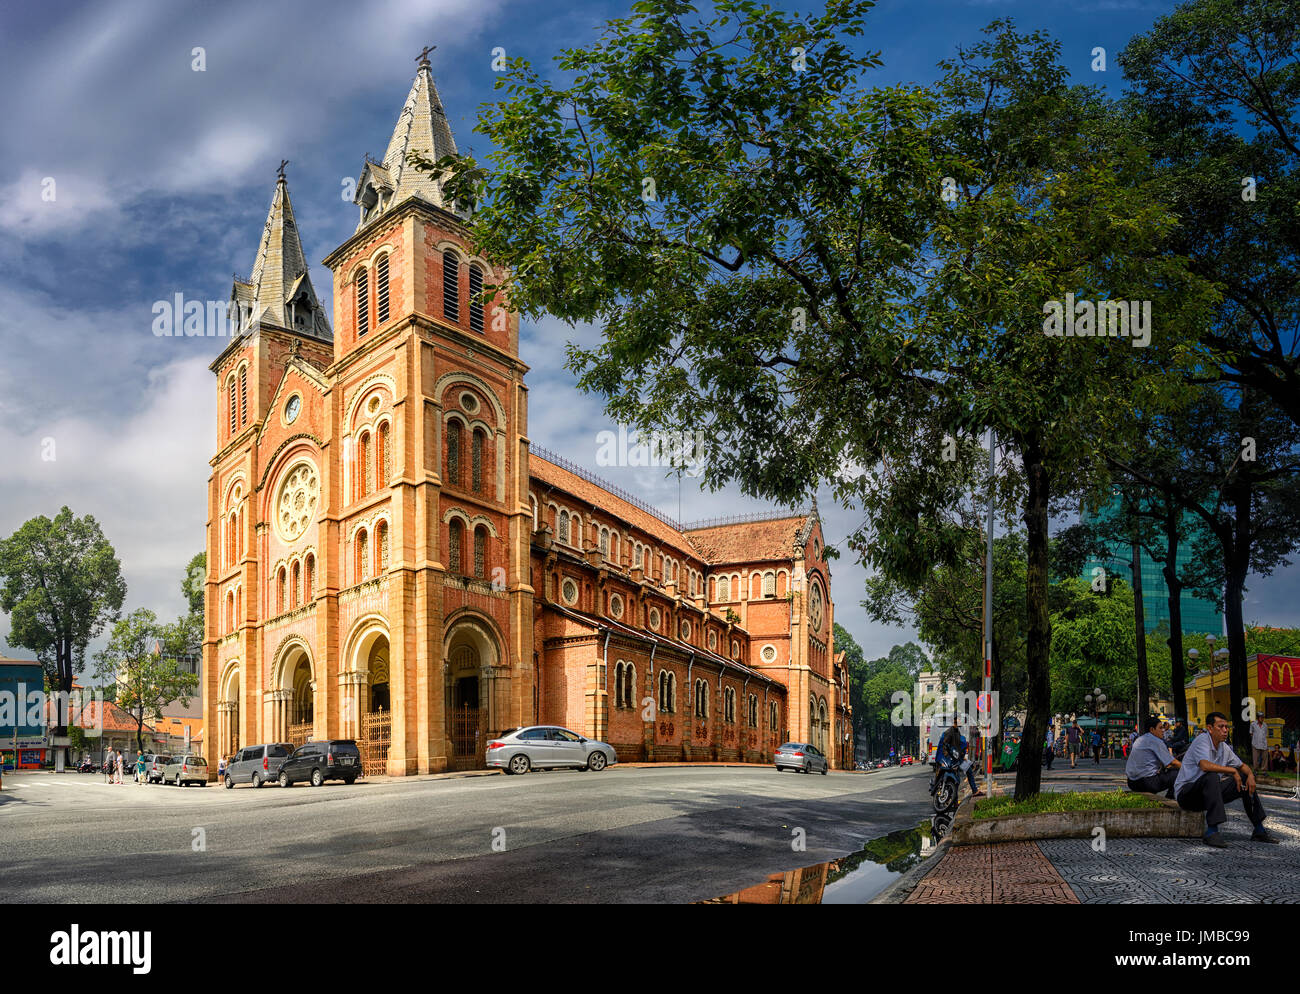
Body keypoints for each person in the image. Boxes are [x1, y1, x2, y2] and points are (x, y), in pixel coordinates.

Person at [1174, 712, 1277, 847]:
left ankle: (1259, 829)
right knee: (1211, 776)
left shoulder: (1224, 747)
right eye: (1220, 726)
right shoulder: (1202, 740)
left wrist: (1251, 776)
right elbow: (1205, 766)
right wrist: (1232, 770)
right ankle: (1212, 832)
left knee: (1245, 778)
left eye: (1226, 727)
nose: (1225, 730)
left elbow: (1242, 766)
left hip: (1207, 794)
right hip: (1187, 794)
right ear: (1210, 728)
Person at [1126, 715, 1181, 798]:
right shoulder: (1156, 741)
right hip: (1146, 782)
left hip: (1131, 782)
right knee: (1179, 774)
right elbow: (1172, 762)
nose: (1163, 730)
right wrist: (1186, 767)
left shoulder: (1140, 739)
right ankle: (1170, 800)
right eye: (1160, 728)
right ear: (1152, 729)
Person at [936, 716, 983, 799]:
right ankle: (955, 800)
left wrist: (963, 757)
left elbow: (956, 747)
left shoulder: (957, 731)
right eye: (959, 719)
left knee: (968, 770)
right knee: (956, 779)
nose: (961, 721)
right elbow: (944, 746)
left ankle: (974, 791)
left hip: (957, 758)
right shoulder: (949, 732)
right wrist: (946, 759)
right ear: (955, 720)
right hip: (951, 760)